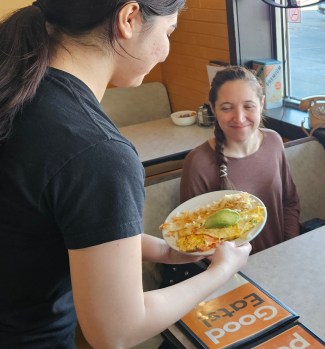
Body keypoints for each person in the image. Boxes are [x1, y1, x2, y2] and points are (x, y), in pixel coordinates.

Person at [0, 1, 251, 348]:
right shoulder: (96, 152)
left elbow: (48, 225)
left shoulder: (19, 89)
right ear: (129, 18)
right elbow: (116, 331)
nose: (165, 52)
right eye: (169, 32)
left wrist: (164, 251)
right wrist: (221, 271)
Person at [179, 66, 300, 254]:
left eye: (248, 106)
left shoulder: (274, 142)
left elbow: (290, 203)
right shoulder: (198, 162)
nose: (239, 117)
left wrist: (287, 249)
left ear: (261, 103)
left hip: (280, 258)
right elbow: (192, 232)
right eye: (227, 108)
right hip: (231, 272)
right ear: (213, 109)